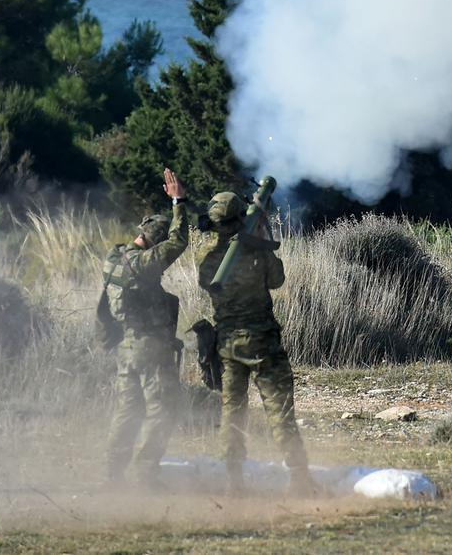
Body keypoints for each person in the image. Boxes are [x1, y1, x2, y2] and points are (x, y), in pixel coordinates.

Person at [202, 183, 311, 497]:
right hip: (261, 342)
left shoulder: (207, 254)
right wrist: (260, 230)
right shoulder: (253, 250)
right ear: (241, 217)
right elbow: (277, 279)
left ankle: (233, 483)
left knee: (232, 412)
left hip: (226, 344)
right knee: (280, 411)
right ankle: (300, 479)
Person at [100, 168, 191, 489]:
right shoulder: (144, 262)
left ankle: (113, 474)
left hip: (126, 345)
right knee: (163, 409)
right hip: (150, 346)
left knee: (128, 410)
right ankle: (146, 473)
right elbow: (178, 241)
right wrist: (179, 202)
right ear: (156, 241)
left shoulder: (114, 257)